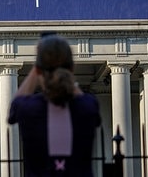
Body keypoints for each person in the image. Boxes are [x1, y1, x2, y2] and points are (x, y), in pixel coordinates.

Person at [8, 34, 101, 176]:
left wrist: (37, 67)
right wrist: (69, 79)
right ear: (71, 68)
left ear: (39, 69)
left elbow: (14, 107)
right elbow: (83, 100)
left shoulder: (28, 109)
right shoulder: (88, 106)